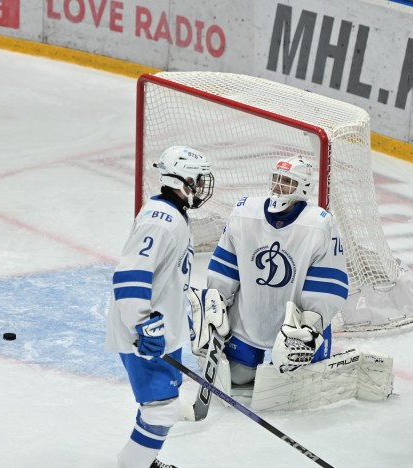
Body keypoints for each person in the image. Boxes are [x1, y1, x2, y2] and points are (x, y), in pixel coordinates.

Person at [106, 146, 214, 468]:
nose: (202, 187)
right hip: (144, 331)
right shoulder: (161, 220)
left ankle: (140, 459)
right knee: (162, 407)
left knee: (159, 403)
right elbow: (129, 276)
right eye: (197, 180)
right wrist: (143, 323)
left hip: (159, 326)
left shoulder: (171, 213)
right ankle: (135, 464)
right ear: (181, 180)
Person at [204, 156, 349, 387]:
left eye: (288, 182)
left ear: (303, 187)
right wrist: (216, 302)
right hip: (248, 318)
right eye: (277, 179)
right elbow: (226, 265)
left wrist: (310, 327)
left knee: (295, 383)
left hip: (296, 325)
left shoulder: (319, 224)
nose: (279, 187)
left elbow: (328, 285)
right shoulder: (244, 213)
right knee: (238, 376)